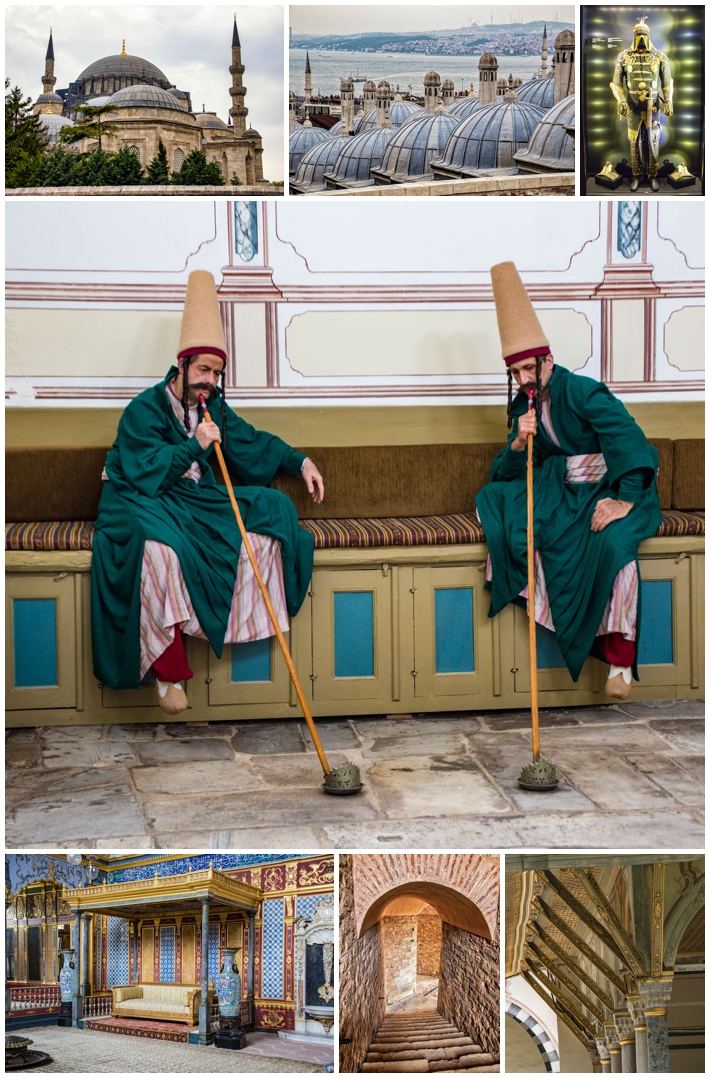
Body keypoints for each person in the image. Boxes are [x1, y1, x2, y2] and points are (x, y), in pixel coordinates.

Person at [91, 270, 324, 713]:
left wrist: (301, 462)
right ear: (182, 366)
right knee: (164, 550)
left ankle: (256, 619)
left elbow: (248, 440)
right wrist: (194, 444)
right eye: (203, 370)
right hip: (140, 498)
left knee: (274, 505)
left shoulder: (211, 406)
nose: (209, 381)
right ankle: (168, 672)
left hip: (191, 500)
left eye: (216, 373)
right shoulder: (143, 409)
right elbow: (147, 473)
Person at [476, 262, 662, 699]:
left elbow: (631, 441)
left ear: (548, 360)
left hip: (619, 488)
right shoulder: (526, 408)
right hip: (569, 496)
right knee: (502, 504)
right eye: (516, 373)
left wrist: (624, 500)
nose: (524, 379)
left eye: (529, 369)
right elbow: (505, 473)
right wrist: (520, 444)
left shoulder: (583, 391)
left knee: (614, 545)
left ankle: (621, 662)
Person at [610, 16, 672, 193]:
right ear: (634, 36)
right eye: (639, 34)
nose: (642, 38)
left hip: (652, 106)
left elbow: (667, 83)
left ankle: (652, 176)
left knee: (653, 141)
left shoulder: (660, 56)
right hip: (633, 106)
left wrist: (668, 101)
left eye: (644, 34)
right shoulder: (624, 56)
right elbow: (616, 84)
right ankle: (637, 176)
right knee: (635, 142)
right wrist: (621, 101)